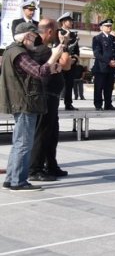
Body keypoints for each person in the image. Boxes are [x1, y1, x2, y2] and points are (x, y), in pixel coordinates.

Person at [1, 22, 66, 191]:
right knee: (24, 143)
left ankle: (11, 179)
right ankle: (18, 181)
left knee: (19, 143)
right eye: (33, 35)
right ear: (26, 36)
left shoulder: (12, 50)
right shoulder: (19, 53)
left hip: (22, 101)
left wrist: (52, 67)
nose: (35, 39)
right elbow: (38, 72)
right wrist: (54, 56)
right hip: (25, 102)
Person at [29, 19, 73, 182]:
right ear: (49, 31)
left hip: (51, 96)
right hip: (44, 96)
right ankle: (35, 169)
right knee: (42, 133)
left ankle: (51, 165)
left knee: (51, 133)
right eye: (56, 31)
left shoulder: (44, 48)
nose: (58, 34)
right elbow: (66, 64)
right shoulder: (40, 49)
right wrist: (65, 44)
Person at [91, 19, 115, 110]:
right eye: (107, 26)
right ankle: (98, 105)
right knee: (99, 87)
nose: (109, 27)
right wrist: (108, 62)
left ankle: (108, 104)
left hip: (111, 68)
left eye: (110, 25)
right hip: (101, 67)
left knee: (109, 87)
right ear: (102, 27)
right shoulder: (97, 38)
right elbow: (97, 54)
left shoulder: (113, 38)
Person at [57, 12, 80, 110]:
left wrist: (74, 59)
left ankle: (68, 103)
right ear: (63, 22)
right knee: (57, 83)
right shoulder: (58, 32)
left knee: (69, 84)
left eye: (71, 21)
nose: (71, 22)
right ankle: (55, 103)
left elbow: (76, 49)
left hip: (71, 63)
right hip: (61, 62)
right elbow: (56, 47)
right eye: (69, 21)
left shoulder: (73, 34)